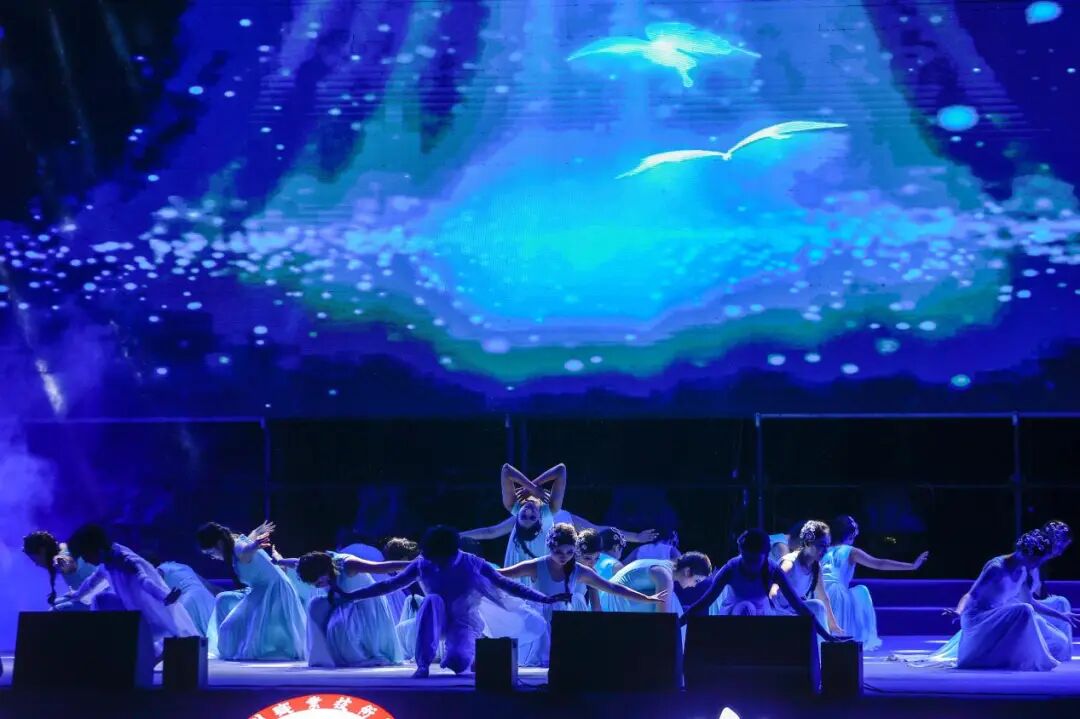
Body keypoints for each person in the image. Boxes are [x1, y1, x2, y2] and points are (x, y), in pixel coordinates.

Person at [330, 525, 572, 678]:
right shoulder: (424, 563)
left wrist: (544, 598)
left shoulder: (473, 563)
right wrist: (352, 595)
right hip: (435, 618)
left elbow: (507, 585)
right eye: (433, 559)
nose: (437, 564)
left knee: (458, 662)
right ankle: (423, 664)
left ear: (453, 553)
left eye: (441, 560)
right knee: (432, 601)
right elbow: (388, 585)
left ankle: (465, 655)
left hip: (464, 621)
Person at [461, 463, 657, 587]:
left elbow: (598, 530)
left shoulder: (535, 513)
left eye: (528, 514)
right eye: (529, 516)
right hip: (533, 564)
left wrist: (532, 488)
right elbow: (490, 531)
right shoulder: (538, 514)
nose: (528, 511)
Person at [500, 524, 667, 666]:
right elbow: (502, 574)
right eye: (559, 552)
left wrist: (646, 598)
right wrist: (482, 569)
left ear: (574, 550)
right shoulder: (536, 565)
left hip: (565, 620)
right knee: (538, 662)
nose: (564, 557)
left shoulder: (579, 570)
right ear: (550, 547)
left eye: (569, 552)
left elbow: (611, 587)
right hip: (541, 621)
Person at [680, 529, 840, 643]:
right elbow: (705, 601)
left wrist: (826, 635)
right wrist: (678, 623)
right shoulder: (731, 568)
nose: (751, 566)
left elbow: (798, 605)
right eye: (747, 560)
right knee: (746, 607)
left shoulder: (773, 570)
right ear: (741, 552)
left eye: (755, 560)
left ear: (766, 555)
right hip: (734, 616)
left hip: (762, 616)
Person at [62, 524, 197, 658]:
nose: (85, 560)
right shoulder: (106, 564)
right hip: (131, 610)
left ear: (96, 549)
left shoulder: (125, 560)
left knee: (156, 643)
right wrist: (76, 594)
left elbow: (145, 580)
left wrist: (164, 596)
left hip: (147, 612)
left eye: (85, 555)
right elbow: (91, 582)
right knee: (100, 599)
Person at [954, 530, 1076, 670]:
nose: (1036, 565)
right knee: (1023, 609)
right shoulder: (996, 567)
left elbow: (1030, 601)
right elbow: (971, 594)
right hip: (980, 618)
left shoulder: (1022, 570)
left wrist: (1061, 615)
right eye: (1035, 561)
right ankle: (1034, 659)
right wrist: (958, 611)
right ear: (1025, 554)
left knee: (1059, 639)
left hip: (999, 615)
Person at [196, 521, 306, 661]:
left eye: (212, 553)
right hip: (259, 590)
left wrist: (255, 545)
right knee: (224, 600)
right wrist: (256, 532)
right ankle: (229, 648)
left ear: (219, 544)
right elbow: (249, 540)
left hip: (273, 591)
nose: (213, 557)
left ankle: (236, 649)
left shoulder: (238, 548)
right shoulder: (236, 543)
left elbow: (246, 550)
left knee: (229, 627)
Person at [822, 515, 928, 650]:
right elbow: (879, 563)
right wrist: (912, 566)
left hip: (820, 591)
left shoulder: (823, 550)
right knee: (862, 592)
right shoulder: (850, 551)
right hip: (837, 593)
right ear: (850, 534)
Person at [287, 551, 408, 667]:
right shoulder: (311, 566)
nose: (317, 585)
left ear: (324, 571)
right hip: (344, 602)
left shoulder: (348, 564)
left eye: (319, 582)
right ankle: (325, 655)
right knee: (316, 606)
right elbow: (294, 563)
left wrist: (412, 564)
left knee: (338, 624)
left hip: (366, 603)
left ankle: (360, 656)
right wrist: (278, 561)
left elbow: (380, 567)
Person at [771, 521, 844, 637]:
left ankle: (824, 643)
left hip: (795, 609)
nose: (825, 551)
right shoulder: (790, 562)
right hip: (777, 610)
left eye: (827, 546)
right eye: (821, 545)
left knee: (817, 605)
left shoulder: (815, 566)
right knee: (816, 606)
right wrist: (773, 590)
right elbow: (776, 581)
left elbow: (823, 596)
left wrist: (833, 625)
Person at [22, 530, 121, 611]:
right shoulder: (63, 548)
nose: (36, 564)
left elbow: (70, 563)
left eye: (34, 559)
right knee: (57, 602)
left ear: (42, 551)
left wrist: (63, 563)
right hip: (88, 593)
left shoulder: (60, 559)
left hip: (100, 597)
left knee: (54, 611)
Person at [603, 552, 712, 615]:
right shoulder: (664, 576)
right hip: (611, 603)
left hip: (611, 596)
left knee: (669, 601)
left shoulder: (666, 566)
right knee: (671, 603)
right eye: (696, 581)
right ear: (687, 571)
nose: (694, 585)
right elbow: (662, 618)